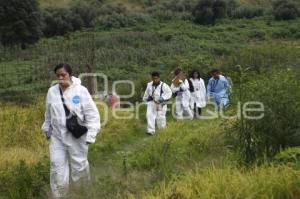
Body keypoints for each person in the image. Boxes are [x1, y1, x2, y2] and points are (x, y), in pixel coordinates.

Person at [42, 63, 101, 198]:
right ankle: (60, 195)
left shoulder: (81, 91)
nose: (61, 78)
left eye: (64, 74)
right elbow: (48, 113)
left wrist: (91, 134)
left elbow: (92, 114)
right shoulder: (52, 91)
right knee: (56, 166)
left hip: (76, 136)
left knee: (79, 166)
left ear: (70, 74)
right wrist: (47, 128)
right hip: (57, 136)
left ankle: (82, 193)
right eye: (58, 75)